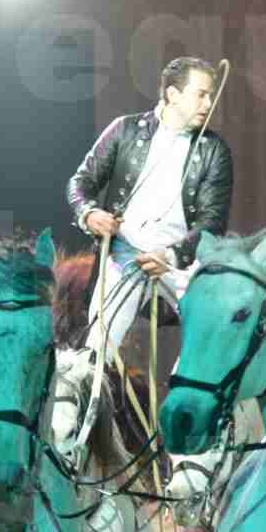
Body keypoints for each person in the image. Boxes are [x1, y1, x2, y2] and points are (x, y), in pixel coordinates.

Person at [65, 56, 234, 364]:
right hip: (125, 256)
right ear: (172, 94)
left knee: (220, 350)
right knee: (94, 354)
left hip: (184, 264)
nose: (209, 104)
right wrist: (89, 213)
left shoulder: (214, 150)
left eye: (211, 95)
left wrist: (170, 256)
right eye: (201, 94)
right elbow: (82, 182)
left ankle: (230, 410)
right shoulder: (124, 130)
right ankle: (84, 407)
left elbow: (213, 222)